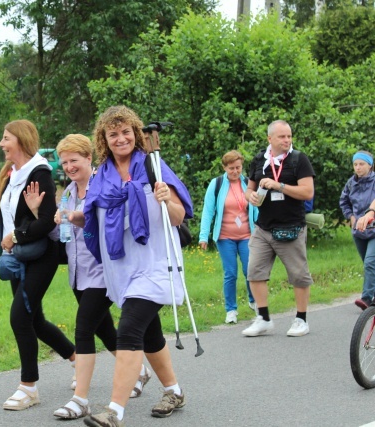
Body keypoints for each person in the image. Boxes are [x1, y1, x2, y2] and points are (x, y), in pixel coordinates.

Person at [75, 106, 193, 426]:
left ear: (136, 133)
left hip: (155, 264)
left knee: (128, 329)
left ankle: (114, 411)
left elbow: (179, 218)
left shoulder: (153, 166)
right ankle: (174, 391)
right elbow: (93, 220)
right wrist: (77, 218)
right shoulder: (102, 177)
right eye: (113, 133)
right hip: (123, 268)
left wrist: (167, 199)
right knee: (150, 333)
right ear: (104, 139)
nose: (121, 138)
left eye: (126, 131)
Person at [23, 134, 151, 420]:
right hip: (79, 275)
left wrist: (73, 216)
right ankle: (138, 370)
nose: (69, 166)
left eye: (74, 160)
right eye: (65, 161)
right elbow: (62, 235)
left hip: (104, 273)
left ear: (88, 158)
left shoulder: (102, 187)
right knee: (104, 330)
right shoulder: (69, 192)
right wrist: (39, 213)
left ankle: (80, 399)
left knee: (82, 330)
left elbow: (109, 224)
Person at [0, 119, 76, 411]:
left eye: (6, 138)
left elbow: (48, 220)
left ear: (20, 140)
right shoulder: (15, 174)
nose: (1, 143)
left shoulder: (39, 173)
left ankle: (28, 387)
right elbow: (2, 218)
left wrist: (15, 237)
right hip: (18, 256)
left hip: (41, 254)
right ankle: (78, 359)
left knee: (20, 318)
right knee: (34, 321)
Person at [243, 119, 315, 337]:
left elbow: (307, 192)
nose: (287, 140)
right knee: (254, 271)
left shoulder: (298, 159)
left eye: (289, 136)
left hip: (291, 227)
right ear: (270, 139)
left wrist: (279, 185)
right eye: (282, 136)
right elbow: (249, 188)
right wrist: (251, 196)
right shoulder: (259, 160)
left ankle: (301, 320)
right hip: (264, 227)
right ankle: (263, 318)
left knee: (298, 275)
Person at [199, 150, 258, 324]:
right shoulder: (216, 184)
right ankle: (231, 310)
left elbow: (257, 208)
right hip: (225, 237)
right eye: (231, 168)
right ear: (224, 167)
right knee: (231, 273)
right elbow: (208, 211)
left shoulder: (248, 183)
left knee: (250, 271)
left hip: (248, 235)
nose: (235, 171)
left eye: (238, 167)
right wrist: (204, 236)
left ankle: (253, 300)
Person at [340, 151, 375, 310]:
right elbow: (344, 201)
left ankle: (366, 299)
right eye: (355, 164)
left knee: (370, 263)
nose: (358, 167)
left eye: (361, 164)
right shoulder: (350, 183)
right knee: (369, 265)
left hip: (374, 229)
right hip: (359, 231)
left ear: (370, 165)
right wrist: (351, 217)